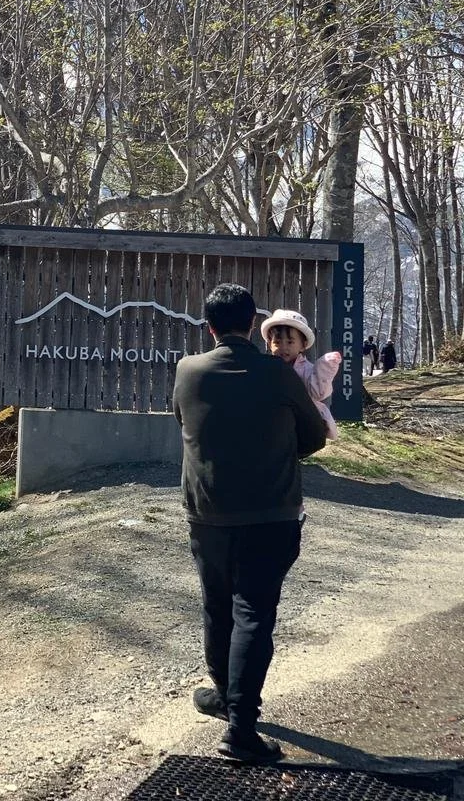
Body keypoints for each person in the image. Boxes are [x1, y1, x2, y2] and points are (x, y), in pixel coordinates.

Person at [173, 283, 327, 764]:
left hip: (208, 513)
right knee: (253, 614)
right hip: (271, 513)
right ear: (251, 324)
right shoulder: (279, 376)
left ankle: (224, 695)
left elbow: (184, 421)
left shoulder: (188, 371)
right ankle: (241, 731)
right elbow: (315, 436)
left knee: (218, 606)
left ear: (210, 326)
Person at [260, 309, 340, 440]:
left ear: (302, 345)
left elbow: (318, 392)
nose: (283, 347)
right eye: (277, 342)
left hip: (302, 421)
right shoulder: (267, 366)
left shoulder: (306, 369)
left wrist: (325, 368)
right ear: (269, 344)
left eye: (290, 342)